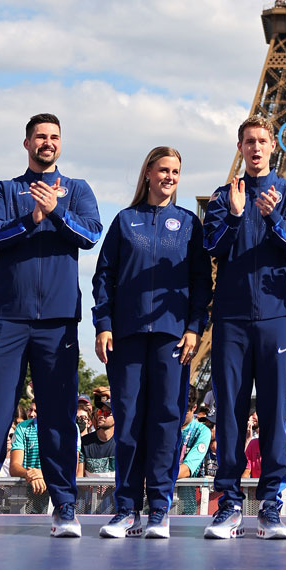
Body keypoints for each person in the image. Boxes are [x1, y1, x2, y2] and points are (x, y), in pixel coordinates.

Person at [0, 113, 102, 538]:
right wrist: (32, 218)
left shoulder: (79, 190)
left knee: (59, 417)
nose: (46, 143)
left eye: (53, 137)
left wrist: (56, 213)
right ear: (26, 143)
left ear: (60, 144)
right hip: (5, 319)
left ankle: (65, 506)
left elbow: (90, 236)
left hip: (57, 320)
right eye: (39, 137)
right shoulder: (4, 189)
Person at [93, 144, 211, 539]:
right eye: (163, 170)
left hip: (172, 336)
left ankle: (159, 508)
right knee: (128, 421)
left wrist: (195, 326)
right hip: (126, 334)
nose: (169, 178)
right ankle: (126, 508)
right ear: (147, 173)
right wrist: (103, 323)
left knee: (165, 422)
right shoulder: (125, 220)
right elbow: (104, 276)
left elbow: (200, 282)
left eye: (175, 172)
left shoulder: (189, 224)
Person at [202, 115, 286, 540]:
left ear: (273, 147)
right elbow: (210, 246)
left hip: (277, 316)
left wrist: (273, 218)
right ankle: (228, 504)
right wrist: (234, 215)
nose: (257, 147)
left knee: (276, 411)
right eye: (249, 141)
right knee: (228, 413)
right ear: (241, 147)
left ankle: (270, 504)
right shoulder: (221, 195)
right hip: (230, 317)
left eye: (263, 141)